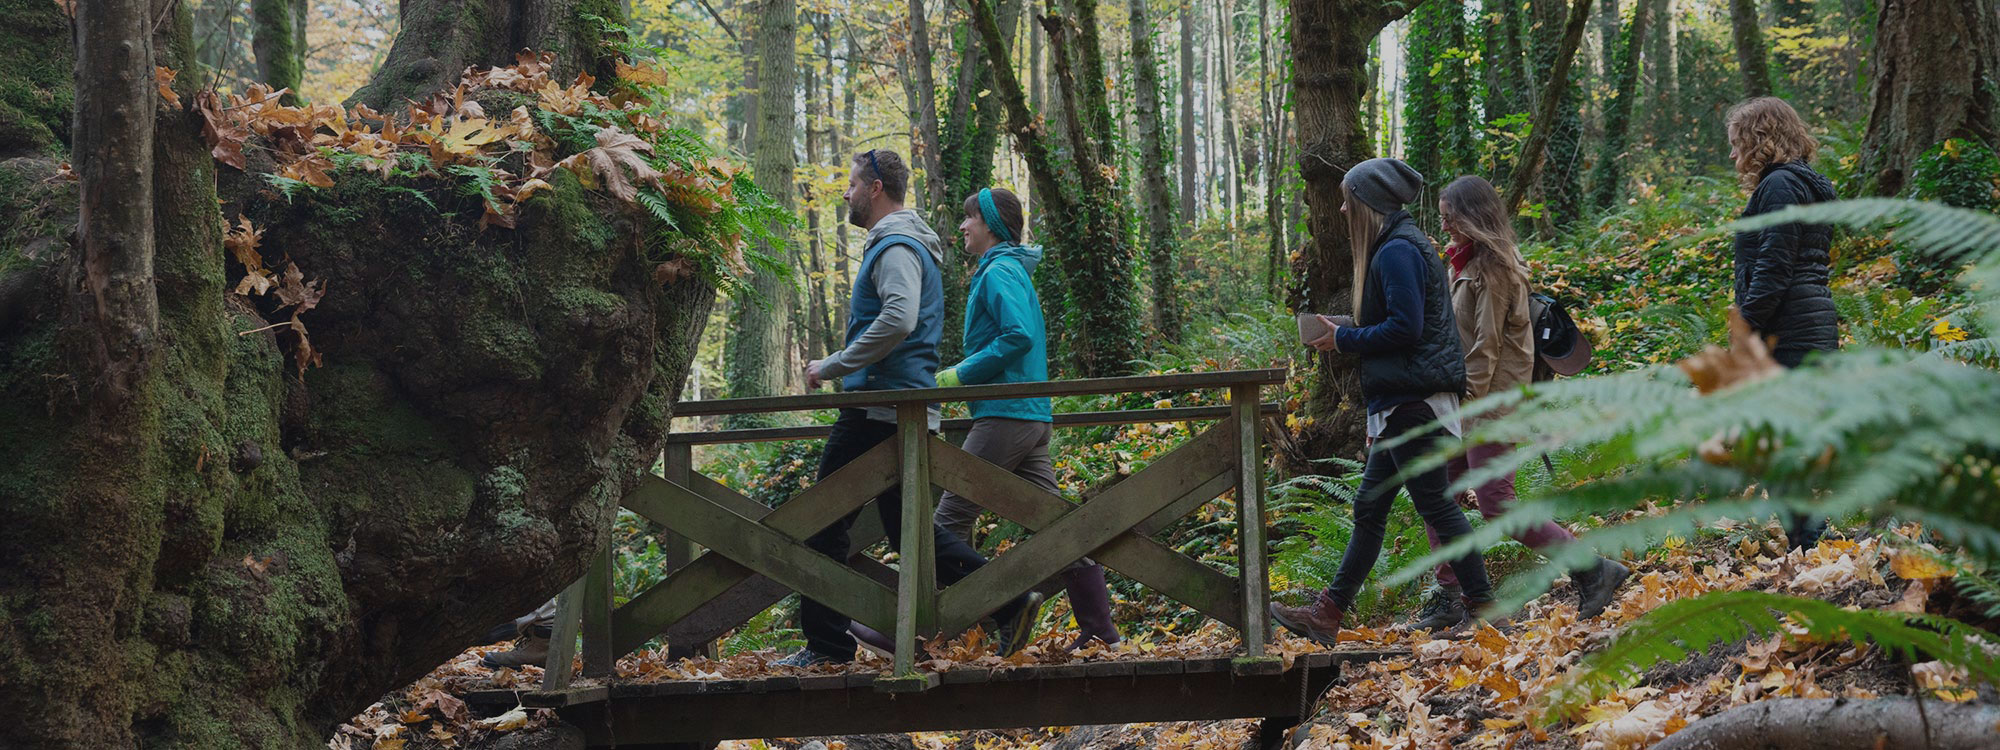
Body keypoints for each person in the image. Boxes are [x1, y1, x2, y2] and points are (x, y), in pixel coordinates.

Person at [778, 149, 1043, 668]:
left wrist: (831, 365)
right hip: (898, 407)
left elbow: (898, 319)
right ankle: (1009, 602)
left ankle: (827, 648)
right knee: (910, 532)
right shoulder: (904, 243)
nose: (848, 194)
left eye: (853, 185)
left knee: (822, 523)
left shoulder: (897, 245)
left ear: (876, 188)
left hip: (878, 407)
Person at [1267, 158, 1500, 645]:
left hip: (1412, 402)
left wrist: (1345, 342)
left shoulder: (1395, 250)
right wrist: (1344, 329)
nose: (1341, 206)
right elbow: (1403, 322)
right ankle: (1329, 614)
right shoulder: (1398, 246)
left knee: (1433, 505)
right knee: (1373, 509)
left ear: (1367, 203)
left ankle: (1484, 606)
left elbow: (1405, 328)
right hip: (1405, 401)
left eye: (1347, 197)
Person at [1399, 176, 1629, 633]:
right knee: (1438, 497)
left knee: (1497, 507)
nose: (1443, 225)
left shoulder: (1496, 269)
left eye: (1450, 217)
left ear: (1474, 217)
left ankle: (1594, 570)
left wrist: (1456, 409)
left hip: (1491, 406)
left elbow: (1485, 349)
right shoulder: (1461, 264)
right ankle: (1450, 596)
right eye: (1442, 216)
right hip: (1467, 403)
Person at [932, 187, 1120, 650]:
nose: (962, 227)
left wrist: (960, 375)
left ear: (991, 225)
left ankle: (941, 630)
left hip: (1006, 415)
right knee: (1057, 527)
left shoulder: (999, 272)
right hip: (1030, 415)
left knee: (945, 523)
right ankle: (1102, 632)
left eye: (968, 219)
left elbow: (1016, 336)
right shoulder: (1010, 270)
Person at [1726, 96, 1839, 549]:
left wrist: (1745, 328)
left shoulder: (1779, 187)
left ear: (1759, 140)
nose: (1734, 155)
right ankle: (1809, 541)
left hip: (1788, 327)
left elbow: (1775, 267)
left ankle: (1809, 544)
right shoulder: (1807, 184)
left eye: (1737, 144)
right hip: (1808, 320)